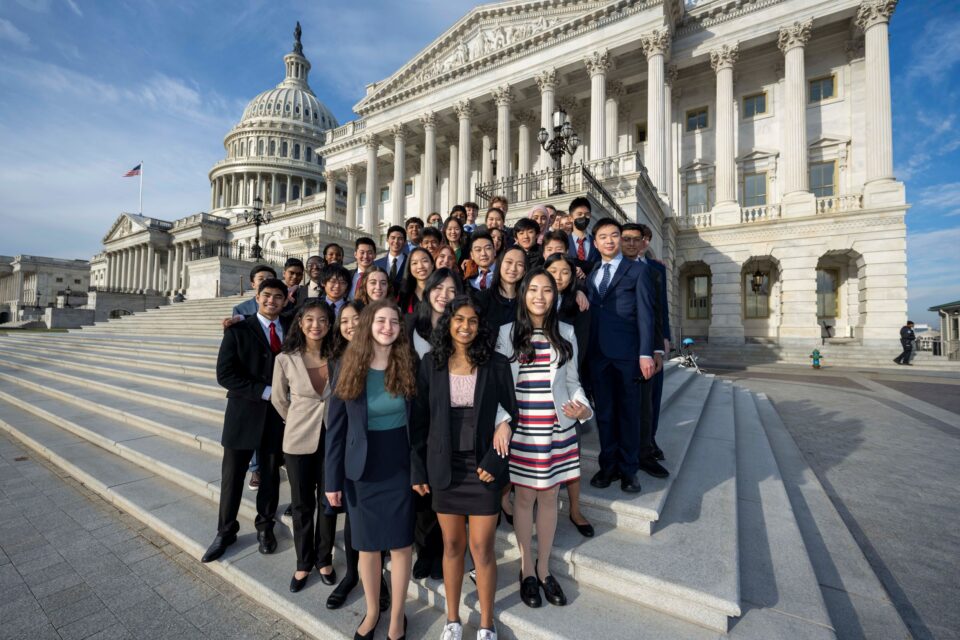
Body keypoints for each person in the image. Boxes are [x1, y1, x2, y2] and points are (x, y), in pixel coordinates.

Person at [412, 295, 516, 640]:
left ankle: (486, 624)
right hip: (444, 467)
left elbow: (510, 414)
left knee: (482, 548)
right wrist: (419, 469)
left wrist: (496, 458)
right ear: (449, 323)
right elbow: (420, 421)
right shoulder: (430, 363)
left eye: (472, 321)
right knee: (452, 546)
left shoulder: (497, 364)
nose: (465, 326)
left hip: (484, 466)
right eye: (459, 320)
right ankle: (452, 620)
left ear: (480, 325)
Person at [496, 269, 592, 608]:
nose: (540, 295)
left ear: (555, 296)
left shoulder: (566, 332)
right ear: (523, 294)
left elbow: (573, 380)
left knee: (550, 498)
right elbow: (499, 387)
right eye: (533, 289)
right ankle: (526, 571)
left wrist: (582, 407)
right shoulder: (507, 333)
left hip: (556, 428)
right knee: (523, 500)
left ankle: (544, 567)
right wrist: (502, 422)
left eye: (547, 290)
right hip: (522, 430)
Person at [325, 300, 419, 640]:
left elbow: (420, 424)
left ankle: (397, 616)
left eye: (394, 321)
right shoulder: (348, 364)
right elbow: (334, 429)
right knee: (366, 545)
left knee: (400, 544)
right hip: (361, 469)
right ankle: (371, 610)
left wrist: (420, 470)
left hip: (398, 463)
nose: (388, 326)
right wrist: (332, 479)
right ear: (368, 324)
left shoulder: (409, 362)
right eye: (381, 320)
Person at [202, 278, 291, 563]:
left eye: (278, 297)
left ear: (285, 300)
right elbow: (225, 375)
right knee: (232, 477)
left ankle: (265, 526)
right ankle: (225, 530)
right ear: (257, 295)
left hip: (275, 419)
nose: (272, 301)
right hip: (243, 414)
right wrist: (263, 391)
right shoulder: (238, 328)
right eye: (267, 296)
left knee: (269, 475)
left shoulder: (291, 328)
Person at [324, 301, 391, 612]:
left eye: (356, 319)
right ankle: (352, 575)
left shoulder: (394, 359)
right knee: (357, 524)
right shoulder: (341, 363)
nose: (350, 324)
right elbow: (334, 429)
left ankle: (379, 580)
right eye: (344, 320)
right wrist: (331, 478)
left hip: (389, 459)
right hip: (356, 461)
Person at [585, 218, 659, 494]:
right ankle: (608, 466)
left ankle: (629, 471)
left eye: (614, 235)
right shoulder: (593, 272)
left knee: (629, 414)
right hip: (598, 356)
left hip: (628, 356)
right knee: (605, 414)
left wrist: (645, 353)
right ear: (596, 243)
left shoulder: (637, 271)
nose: (609, 240)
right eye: (603, 236)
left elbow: (646, 315)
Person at [271, 300, 338, 592]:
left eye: (322, 319)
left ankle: (324, 559)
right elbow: (279, 399)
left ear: (329, 324)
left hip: (332, 439)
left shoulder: (338, 355)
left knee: (328, 502)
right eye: (309, 319)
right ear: (300, 322)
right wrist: (297, 420)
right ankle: (303, 562)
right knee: (301, 505)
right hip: (298, 440)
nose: (316, 325)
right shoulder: (285, 359)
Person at [543, 253, 594, 538]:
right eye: (553, 270)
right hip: (537, 396)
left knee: (571, 458)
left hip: (567, 383)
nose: (559, 276)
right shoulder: (536, 299)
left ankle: (575, 509)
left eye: (565, 272)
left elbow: (581, 346)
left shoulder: (578, 302)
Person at [636, 224, 671, 461]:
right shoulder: (618, 265)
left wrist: (664, 339)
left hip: (653, 341)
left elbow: (662, 308)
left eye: (641, 239)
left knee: (653, 397)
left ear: (647, 241)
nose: (635, 243)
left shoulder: (657, 268)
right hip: (629, 344)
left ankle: (651, 438)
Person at [408, 269, 464, 359]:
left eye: (451, 290)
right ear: (429, 290)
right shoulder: (409, 323)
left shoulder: (460, 329)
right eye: (439, 288)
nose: (444, 295)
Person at [477, 246, 526, 330]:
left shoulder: (526, 303)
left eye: (520, 264)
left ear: (524, 271)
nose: (513, 268)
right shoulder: (481, 299)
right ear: (499, 264)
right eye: (509, 262)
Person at [397, 246, 435, 315]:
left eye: (424, 261)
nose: (420, 266)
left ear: (432, 265)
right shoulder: (403, 295)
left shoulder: (440, 294)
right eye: (414, 263)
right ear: (409, 268)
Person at [567, 197, 600, 266]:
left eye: (587, 214)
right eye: (579, 214)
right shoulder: (564, 241)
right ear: (570, 218)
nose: (583, 217)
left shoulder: (597, 242)